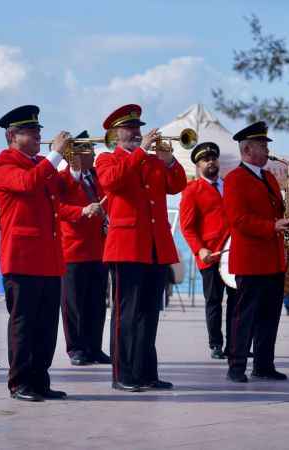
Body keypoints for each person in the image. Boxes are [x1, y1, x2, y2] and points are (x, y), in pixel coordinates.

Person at [95, 104, 187, 392]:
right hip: (127, 248)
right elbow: (113, 182)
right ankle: (123, 375)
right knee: (127, 314)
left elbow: (177, 184)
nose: (136, 133)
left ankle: (147, 372)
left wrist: (170, 161)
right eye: (129, 129)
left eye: (137, 128)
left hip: (154, 247)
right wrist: (139, 152)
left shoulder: (150, 162)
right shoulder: (107, 160)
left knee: (149, 314)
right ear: (116, 133)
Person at [0, 105, 71, 402]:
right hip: (23, 258)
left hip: (49, 258)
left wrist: (76, 165)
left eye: (39, 130)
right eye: (32, 131)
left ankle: (40, 380)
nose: (39, 135)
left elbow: (62, 189)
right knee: (23, 324)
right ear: (12, 136)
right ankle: (20, 382)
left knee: (47, 326)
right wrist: (57, 155)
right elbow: (28, 183)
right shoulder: (4, 161)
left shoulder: (42, 162)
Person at [223, 121, 289, 383]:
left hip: (273, 259)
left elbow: (275, 211)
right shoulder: (234, 179)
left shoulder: (270, 177)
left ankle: (264, 365)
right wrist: (272, 226)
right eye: (262, 145)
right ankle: (236, 366)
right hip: (250, 260)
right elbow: (238, 219)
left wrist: (286, 219)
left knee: (269, 316)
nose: (266, 150)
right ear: (247, 149)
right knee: (244, 317)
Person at [57, 131, 111, 366]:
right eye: (88, 150)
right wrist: (82, 211)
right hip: (73, 249)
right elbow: (57, 207)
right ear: (75, 155)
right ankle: (76, 348)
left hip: (98, 249)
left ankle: (94, 347)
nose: (94, 154)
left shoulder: (97, 177)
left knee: (97, 303)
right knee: (74, 303)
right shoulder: (63, 178)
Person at [179, 142, 237, 359]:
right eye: (205, 159)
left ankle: (235, 344)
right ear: (197, 165)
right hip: (211, 256)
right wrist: (199, 249)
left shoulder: (230, 185)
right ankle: (216, 344)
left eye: (214, 157)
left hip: (234, 253)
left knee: (236, 301)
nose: (211, 161)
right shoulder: (192, 190)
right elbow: (187, 227)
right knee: (214, 301)